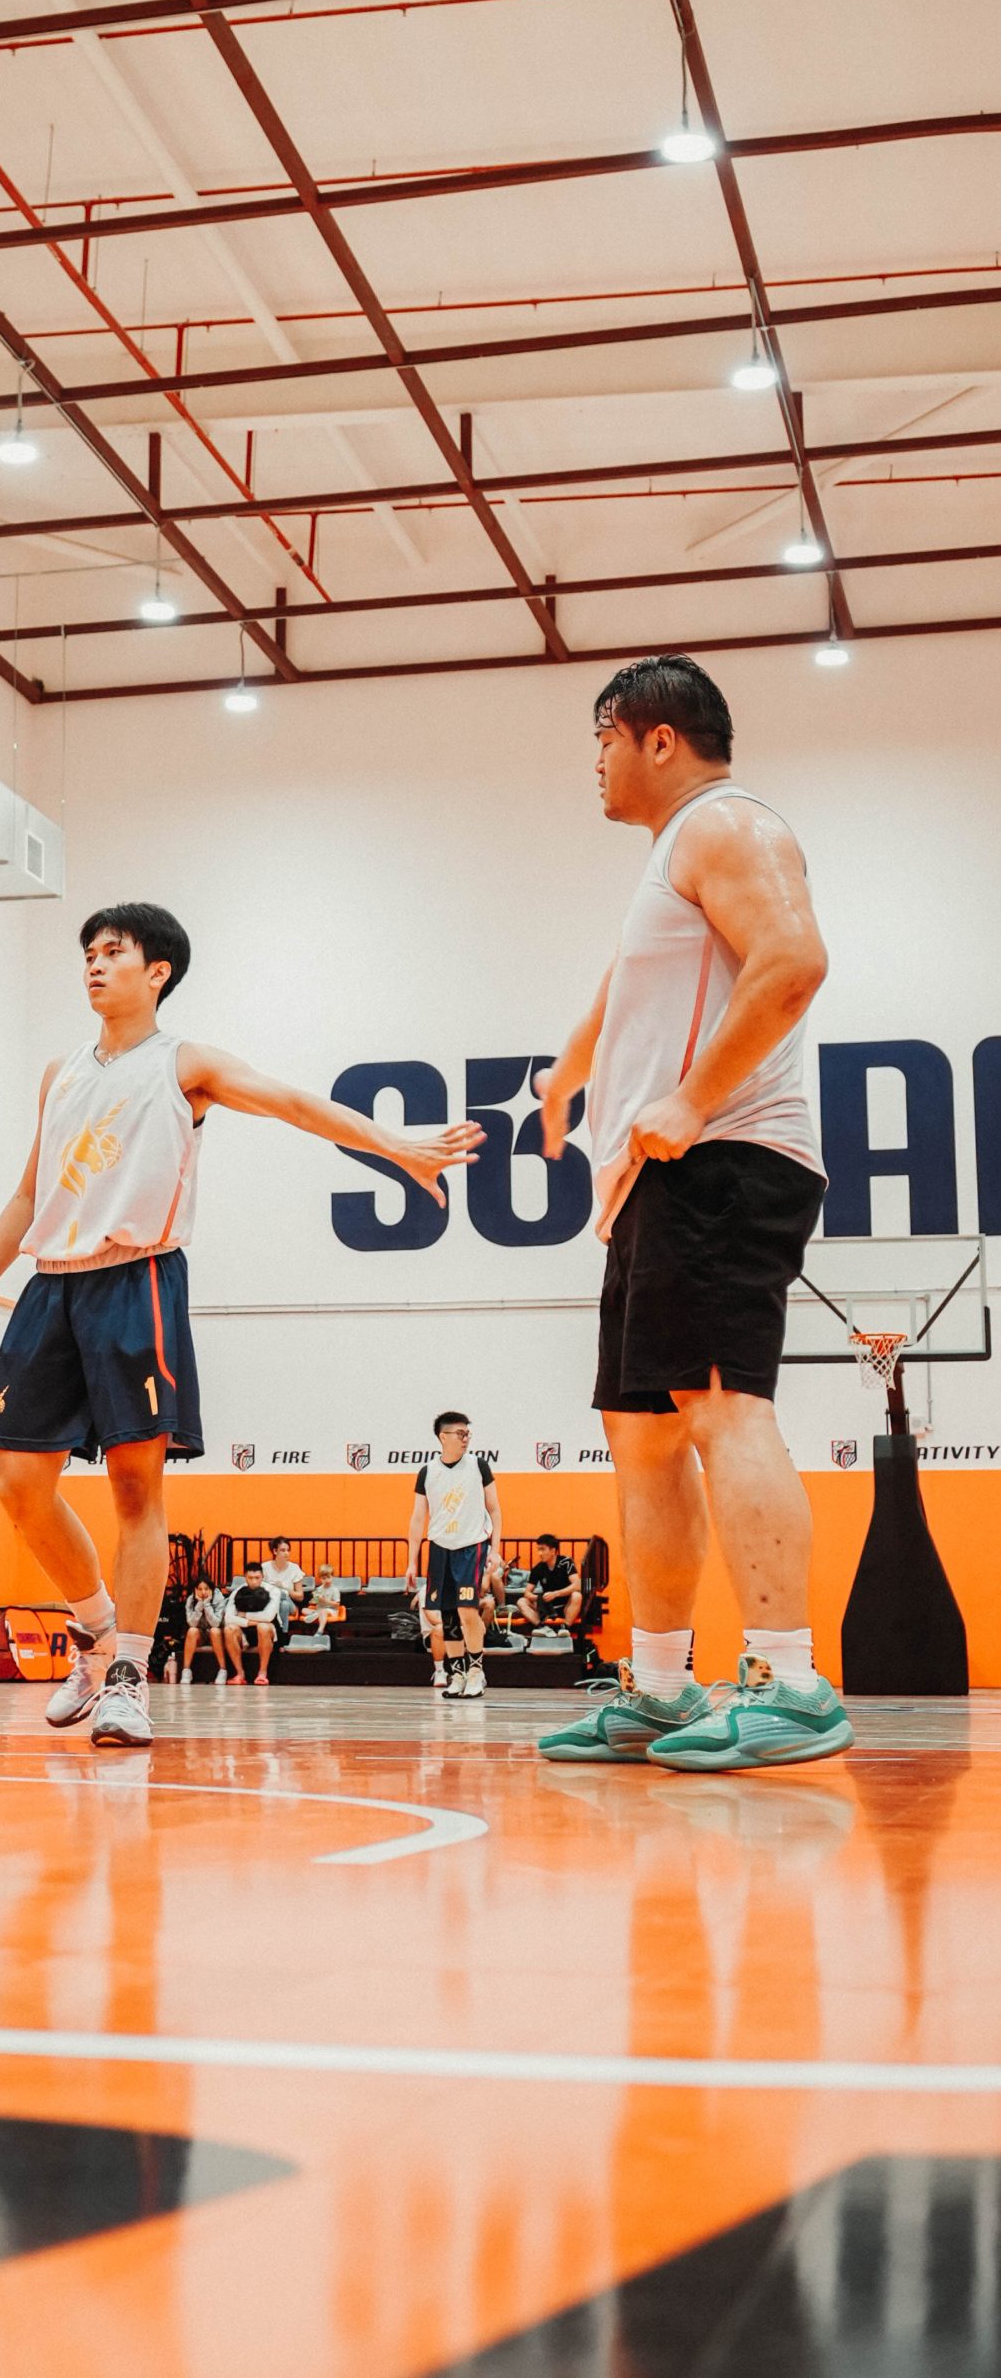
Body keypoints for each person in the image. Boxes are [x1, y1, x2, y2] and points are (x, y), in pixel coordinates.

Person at [0, 901, 482, 1749]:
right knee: (18, 1485)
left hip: (138, 1277)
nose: (93, 964)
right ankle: (94, 1631)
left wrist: (398, 1147)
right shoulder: (59, 1073)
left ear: (156, 971)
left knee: (134, 1489)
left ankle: (128, 1676)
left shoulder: (182, 1063)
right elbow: (26, 1193)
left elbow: (293, 1103)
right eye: (87, 953)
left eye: (111, 952)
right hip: (50, 1287)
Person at [534, 654, 851, 1772]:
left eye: (603, 741)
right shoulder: (670, 859)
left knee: (722, 1408)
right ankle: (663, 1688)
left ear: (656, 738)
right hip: (653, 1184)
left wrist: (691, 1098)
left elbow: (794, 961)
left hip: (725, 1159)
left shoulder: (727, 823)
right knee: (644, 1437)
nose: (596, 764)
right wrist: (566, 1076)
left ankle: (792, 1683)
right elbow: (624, 989)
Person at [407, 1415, 501, 1699]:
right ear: (443, 1437)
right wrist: (412, 1561)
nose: (465, 1438)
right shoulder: (427, 1472)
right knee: (446, 1616)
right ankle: (457, 1674)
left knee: (467, 1610)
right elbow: (417, 1518)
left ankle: (476, 1672)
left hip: (471, 1547)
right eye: (460, 1433)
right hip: (440, 1549)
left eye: (467, 1433)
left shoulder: (478, 1465)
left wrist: (495, 1549)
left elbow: (495, 1509)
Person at [224, 1562, 279, 1687]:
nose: (254, 1582)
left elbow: (268, 1617)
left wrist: (244, 1615)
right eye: (250, 1578)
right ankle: (240, 1674)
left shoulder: (273, 1591)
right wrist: (249, 1622)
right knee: (229, 1629)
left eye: (257, 1578)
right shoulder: (237, 1591)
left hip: (268, 1631)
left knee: (263, 1626)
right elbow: (228, 1618)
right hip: (244, 1631)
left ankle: (262, 1673)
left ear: (263, 1577)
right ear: (245, 1577)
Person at [518, 1533, 581, 1634]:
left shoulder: (566, 1562)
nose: (540, 1553)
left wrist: (556, 1594)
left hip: (565, 1605)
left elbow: (577, 1585)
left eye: (543, 1549)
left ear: (553, 1551)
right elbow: (527, 1593)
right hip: (547, 1607)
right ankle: (542, 1628)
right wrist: (539, 1598)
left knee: (577, 1596)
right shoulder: (538, 1568)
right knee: (521, 1602)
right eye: (538, 1549)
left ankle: (565, 1628)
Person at [177, 1576, 226, 1682]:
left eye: (206, 1589)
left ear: (212, 1589)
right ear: (195, 1590)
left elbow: (216, 1623)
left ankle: (222, 1670)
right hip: (201, 1634)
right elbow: (192, 1623)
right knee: (192, 1631)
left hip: (216, 1634)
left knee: (214, 1631)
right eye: (199, 1589)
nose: (203, 1592)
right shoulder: (191, 1600)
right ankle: (186, 1671)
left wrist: (207, 1605)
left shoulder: (219, 1599)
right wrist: (199, 1605)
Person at [259, 1536, 308, 1636]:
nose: (286, 1553)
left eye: (288, 1550)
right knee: (283, 1604)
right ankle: (283, 1636)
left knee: (282, 1596)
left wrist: (284, 1589)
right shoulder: (264, 1567)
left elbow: (300, 1596)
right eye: (283, 1550)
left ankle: (281, 1594)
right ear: (275, 1551)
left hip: (291, 1604)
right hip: (270, 1603)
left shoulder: (294, 1568)